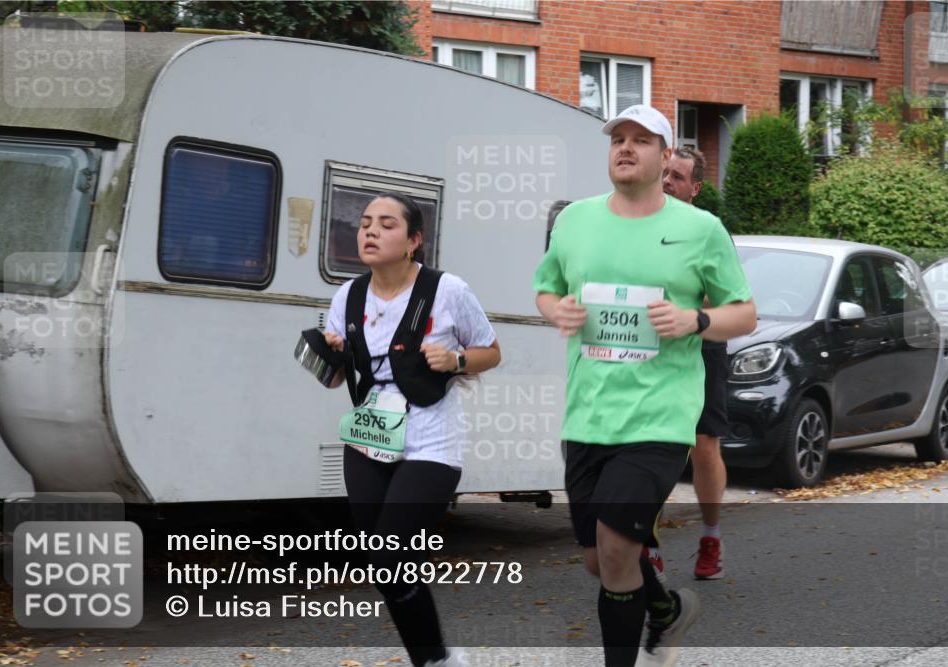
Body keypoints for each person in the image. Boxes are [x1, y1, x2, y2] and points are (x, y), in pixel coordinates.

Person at [533, 105, 755, 667]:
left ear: (664, 157)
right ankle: (666, 609)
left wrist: (695, 321)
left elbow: (745, 314)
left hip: (661, 415)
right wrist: (554, 309)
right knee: (599, 560)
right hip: (588, 413)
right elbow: (546, 288)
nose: (625, 148)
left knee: (615, 547)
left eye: (641, 140)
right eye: (618, 139)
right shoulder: (575, 220)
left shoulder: (699, 230)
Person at [322, 192, 501, 667]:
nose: (370, 232)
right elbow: (337, 378)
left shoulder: (448, 291)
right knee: (384, 566)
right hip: (368, 434)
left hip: (431, 440)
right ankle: (435, 659)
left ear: (413, 241)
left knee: (389, 557)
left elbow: (491, 350)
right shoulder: (348, 295)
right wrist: (330, 354)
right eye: (364, 223)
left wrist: (457, 359)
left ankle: (437, 661)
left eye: (385, 224)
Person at [662, 146, 728, 580]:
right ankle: (644, 543)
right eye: (665, 173)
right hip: (653, 344)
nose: (668, 181)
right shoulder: (638, 222)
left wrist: (683, 306)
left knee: (703, 446)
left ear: (696, 188)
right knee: (653, 444)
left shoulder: (707, 231)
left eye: (678, 177)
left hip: (702, 343)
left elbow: (726, 301)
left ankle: (711, 536)